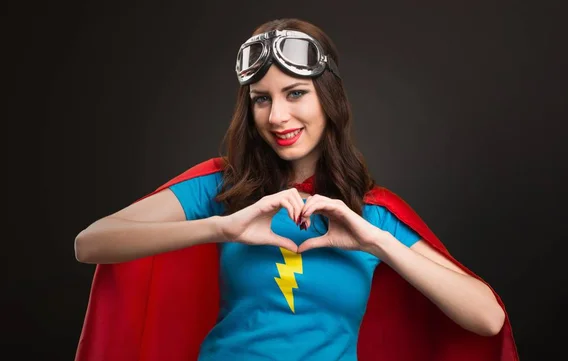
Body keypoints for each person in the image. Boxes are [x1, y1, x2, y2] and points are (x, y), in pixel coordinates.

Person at [73, 18, 519, 361]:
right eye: (262, 99)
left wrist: (377, 243)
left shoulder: (373, 212)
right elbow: (91, 243)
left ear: (329, 98)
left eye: (295, 93)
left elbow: (487, 318)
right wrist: (222, 229)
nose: (277, 117)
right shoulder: (222, 187)